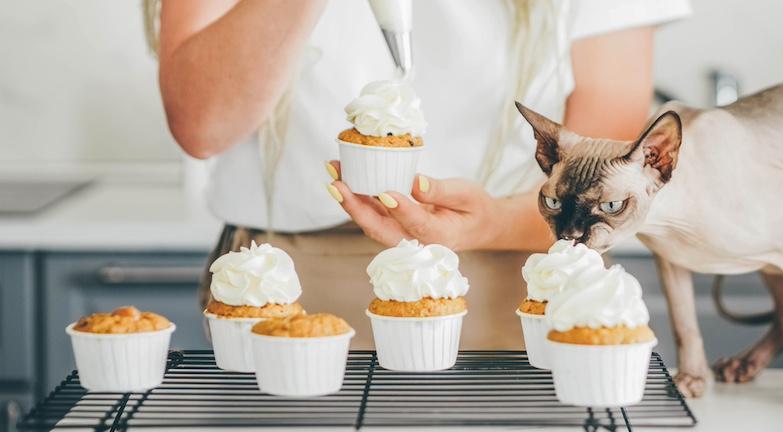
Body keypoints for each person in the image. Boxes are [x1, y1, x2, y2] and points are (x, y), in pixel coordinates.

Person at [150, 0, 691, 348]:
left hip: (521, 282)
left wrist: (489, 226)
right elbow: (201, 123)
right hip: (283, 284)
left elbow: (607, 175)